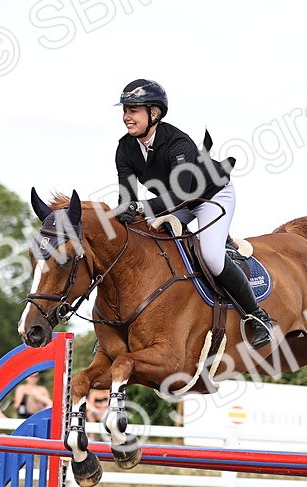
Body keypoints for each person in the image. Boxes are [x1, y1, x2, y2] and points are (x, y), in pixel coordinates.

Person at [112, 78, 275, 349]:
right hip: (175, 204)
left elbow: (182, 195)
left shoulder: (178, 144)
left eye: (133, 111)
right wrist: (125, 213)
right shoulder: (125, 148)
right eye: (125, 111)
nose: (127, 117)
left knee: (211, 257)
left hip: (209, 197)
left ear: (154, 113)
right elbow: (126, 197)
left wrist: (139, 207)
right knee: (138, 237)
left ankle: (257, 316)